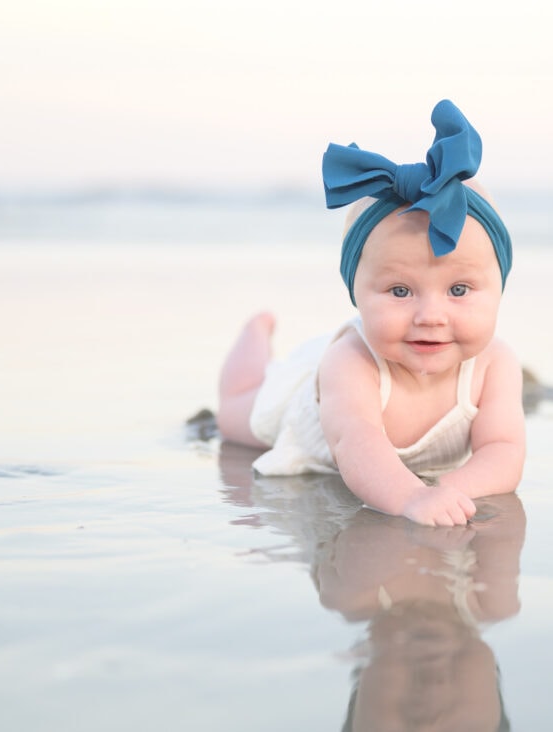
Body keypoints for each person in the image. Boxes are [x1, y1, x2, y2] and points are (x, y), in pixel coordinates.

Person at [216, 100, 525, 527]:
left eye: (458, 289)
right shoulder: (352, 362)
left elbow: (504, 450)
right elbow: (356, 443)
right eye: (400, 290)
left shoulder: (496, 365)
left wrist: (451, 490)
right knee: (236, 415)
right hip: (310, 418)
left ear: (499, 288)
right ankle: (256, 332)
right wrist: (410, 497)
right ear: (357, 294)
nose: (431, 316)